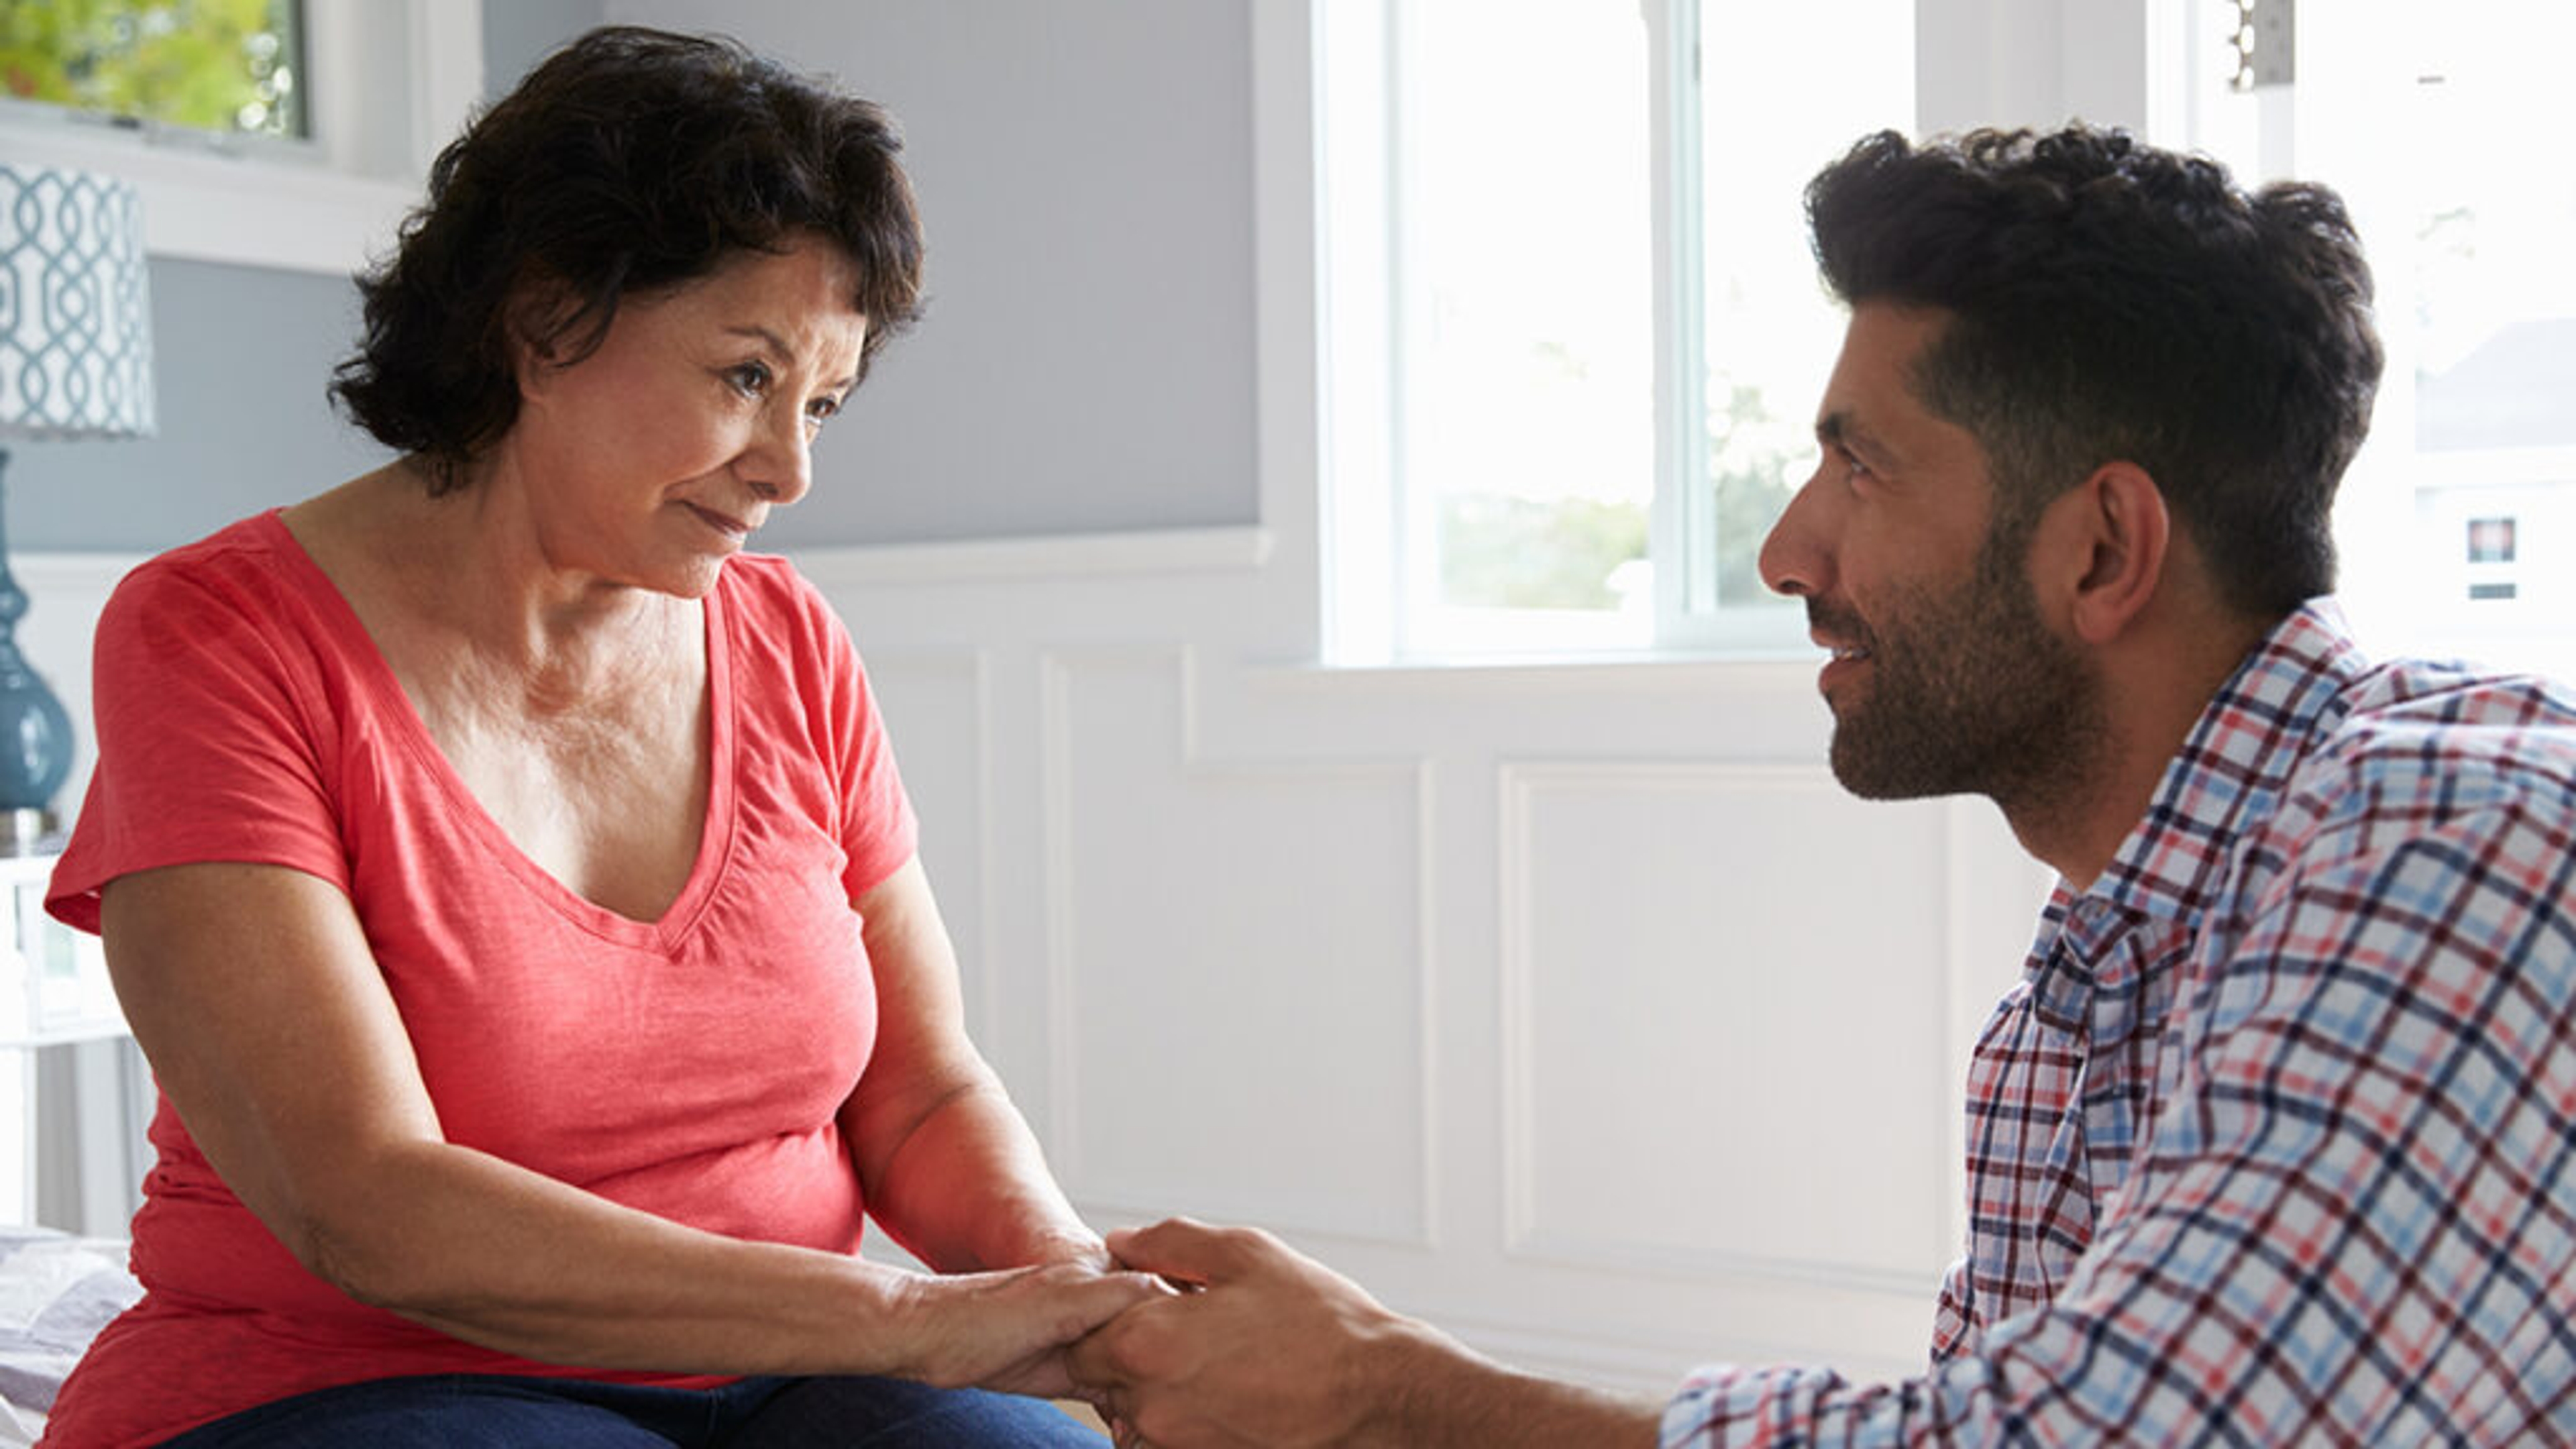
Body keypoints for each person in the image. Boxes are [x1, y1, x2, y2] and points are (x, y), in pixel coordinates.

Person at [1066, 124, 2576, 1446]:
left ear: (2103, 551)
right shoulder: (2093, 979)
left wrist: (1388, 1398)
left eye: (1864, 467)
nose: (1790, 551)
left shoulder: (2459, 833)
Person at [41, 25, 1156, 1449]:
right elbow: (364, 1203)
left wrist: (1065, 1288)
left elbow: (921, 1091)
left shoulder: (789, 639)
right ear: (546, 321)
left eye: (823, 402)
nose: (793, 469)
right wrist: (913, 1324)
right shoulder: (216, 634)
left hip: (794, 1377)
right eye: (746, 377)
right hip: (345, 1378)